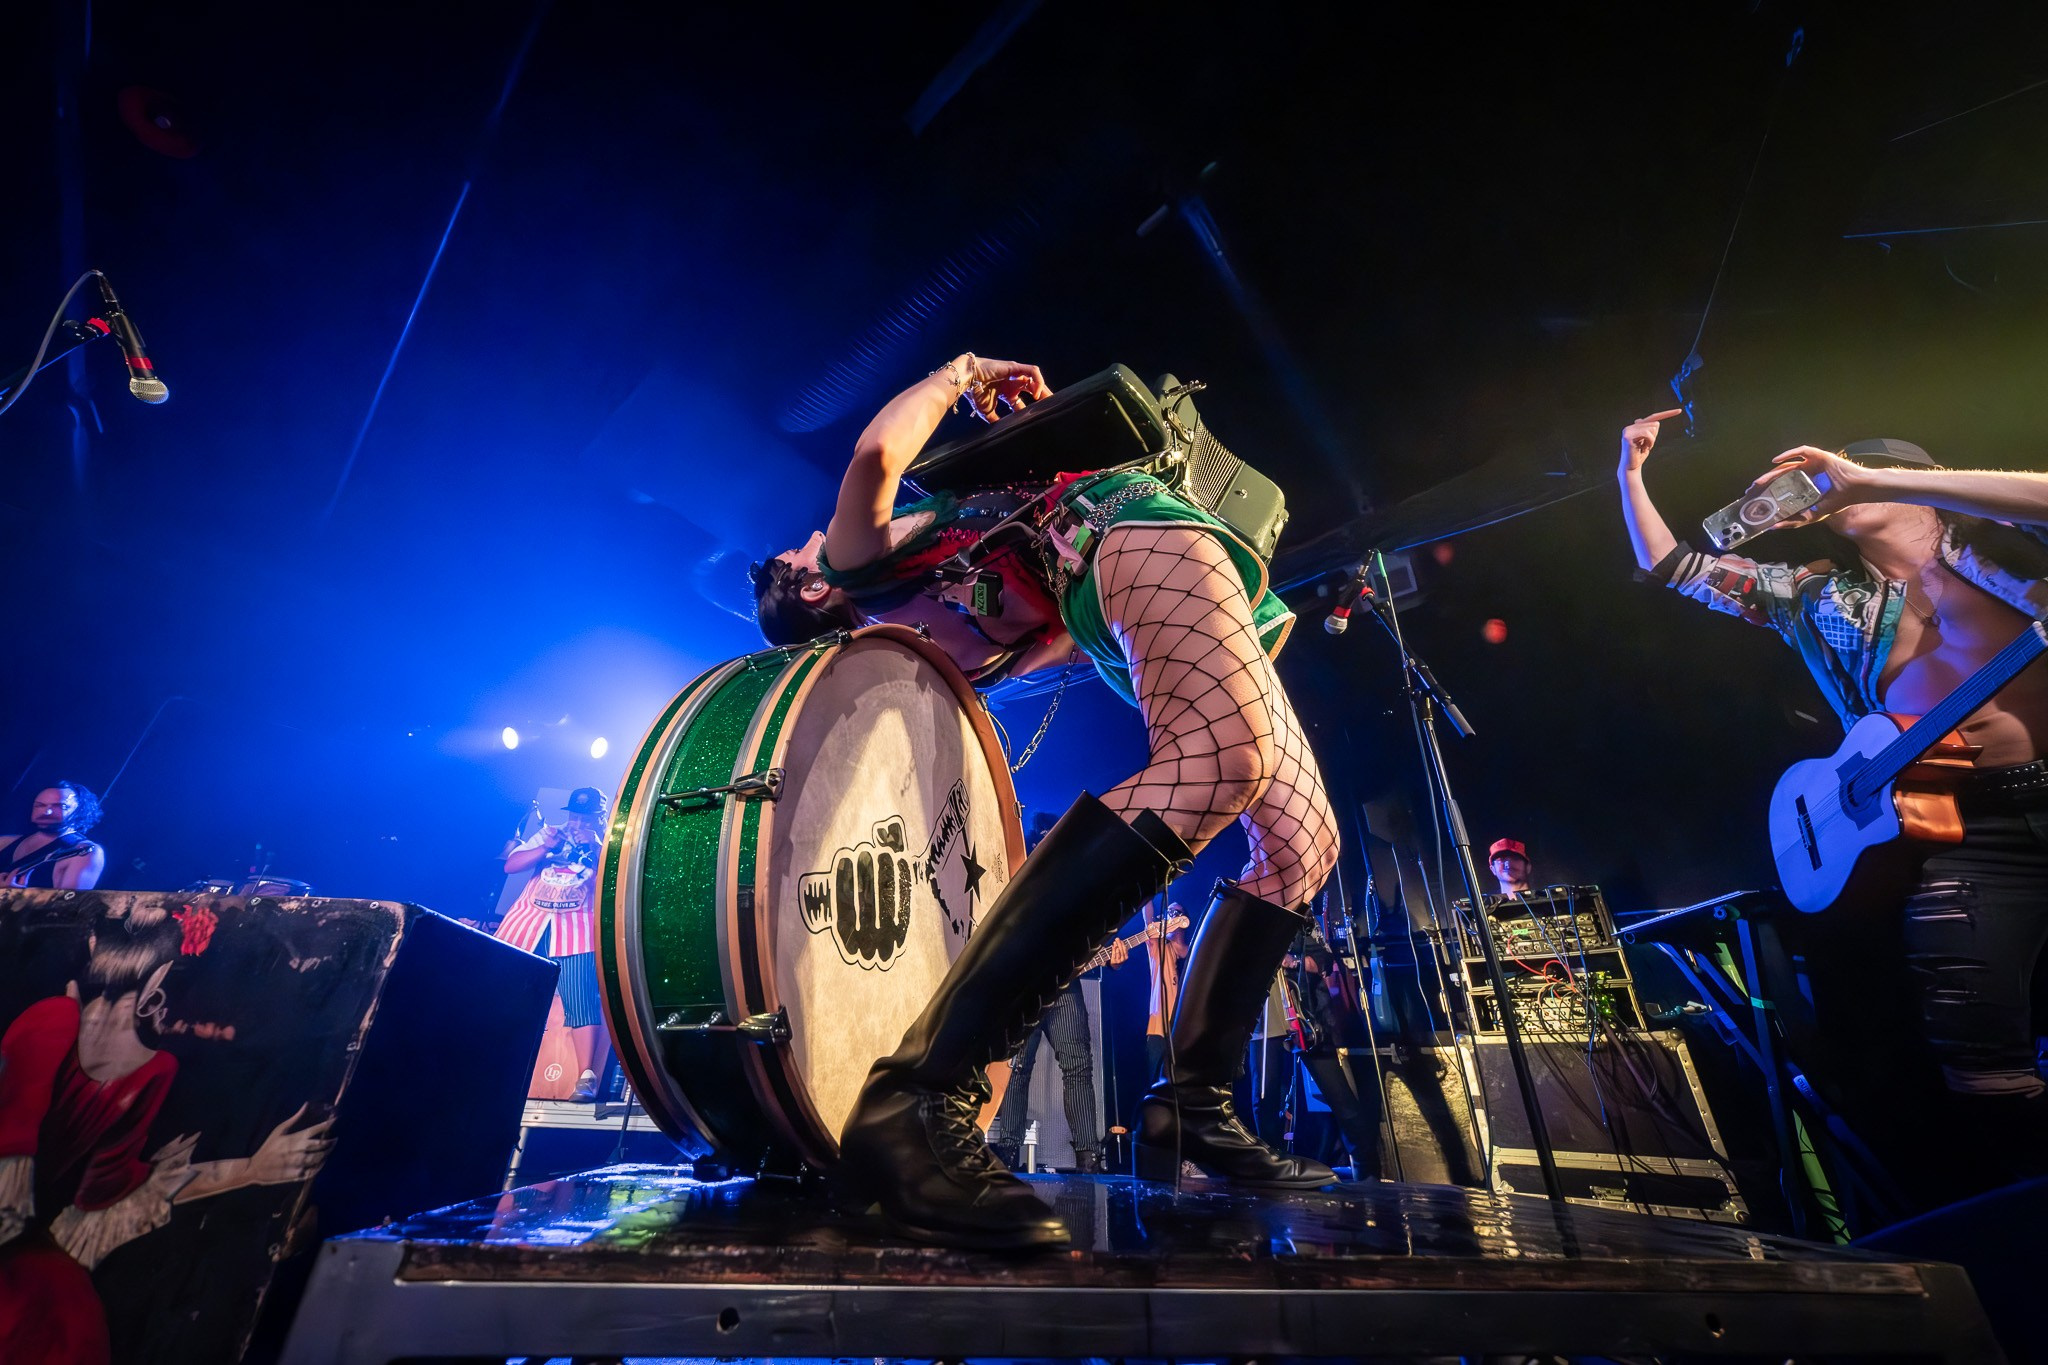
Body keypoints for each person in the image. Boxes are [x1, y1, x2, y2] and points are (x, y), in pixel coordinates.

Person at [755, 353, 1341, 1248]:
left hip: (1138, 564)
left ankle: (1194, 1104)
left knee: (1304, 841)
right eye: (799, 556)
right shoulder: (853, 561)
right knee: (1220, 757)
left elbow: (1063, 628)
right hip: (1131, 534)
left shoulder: (935, 620)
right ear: (811, 587)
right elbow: (876, 456)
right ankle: (918, 1094)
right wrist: (960, 373)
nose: (809, 541)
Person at [1618, 410, 2048, 1204]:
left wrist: (1862, 475)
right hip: (1960, 831)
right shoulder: (1822, 597)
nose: (1830, 489)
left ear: (1916, 482)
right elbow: (1673, 564)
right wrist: (1630, 474)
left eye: (1851, 476)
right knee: (1976, 1045)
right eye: (1827, 484)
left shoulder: (2003, 543)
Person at [0, 900, 335, 1363]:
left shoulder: (134, 1062)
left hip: (30, 1278)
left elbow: (112, 1194)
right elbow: (41, 1186)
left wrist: (254, 1169)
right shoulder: (87, 1039)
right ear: (158, 980)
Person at [987, 811, 1128, 1173]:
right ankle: (1007, 1154)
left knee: (1078, 1067)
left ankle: (1088, 1156)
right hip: (1023, 987)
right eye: (1046, 840)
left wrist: (1111, 958)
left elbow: (1094, 937)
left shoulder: (1079, 886)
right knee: (1017, 1068)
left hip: (1065, 987)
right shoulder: (1018, 877)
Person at [496, 788, 612, 1101]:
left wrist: (597, 847)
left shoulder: (612, 841)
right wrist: (545, 848)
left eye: (585, 817)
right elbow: (511, 865)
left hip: (576, 929)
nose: (578, 822)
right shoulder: (551, 833)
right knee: (508, 995)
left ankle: (586, 1077)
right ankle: (495, 1065)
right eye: (574, 815)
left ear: (600, 817)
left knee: (580, 1000)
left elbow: (614, 881)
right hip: (529, 925)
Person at [3, 784, 106, 891]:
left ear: (80, 811)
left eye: (61, 806)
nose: (46, 812)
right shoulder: (4, 842)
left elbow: (67, 901)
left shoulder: (86, 852)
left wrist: (11, 895)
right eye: (40, 805)